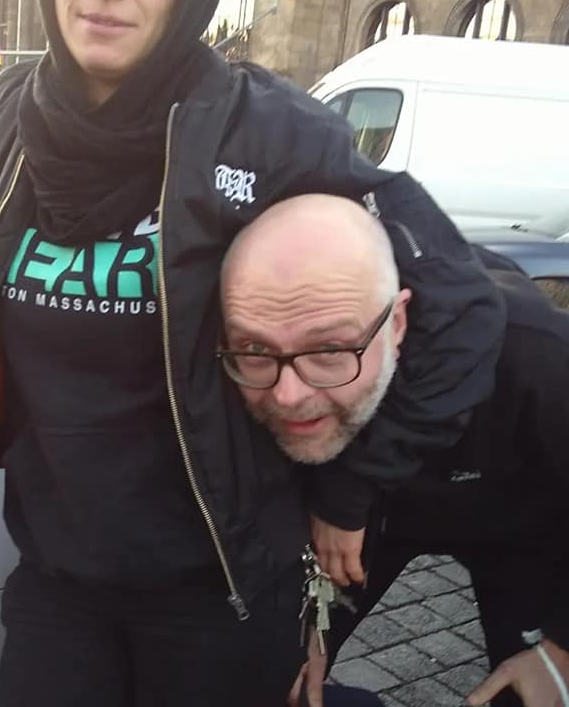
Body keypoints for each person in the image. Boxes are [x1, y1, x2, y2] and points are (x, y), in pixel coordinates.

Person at [0, 0, 504, 706]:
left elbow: (461, 306)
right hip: (57, 583)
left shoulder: (266, 132)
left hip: (220, 593)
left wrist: (350, 489)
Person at [219, 193, 569, 707]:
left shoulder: (541, 357)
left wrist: (561, 649)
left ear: (397, 324)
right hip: (374, 520)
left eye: (330, 349)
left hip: (523, 521)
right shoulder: (256, 364)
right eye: (258, 350)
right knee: (281, 675)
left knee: (539, 690)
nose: (288, 394)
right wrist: (302, 617)